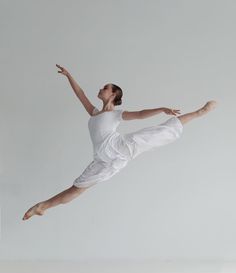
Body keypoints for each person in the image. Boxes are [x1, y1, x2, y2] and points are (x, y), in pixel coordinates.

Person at [22, 64, 217, 220]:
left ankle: (199, 112)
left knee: (160, 131)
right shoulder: (95, 113)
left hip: (121, 148)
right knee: (78, 188)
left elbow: (140, 114)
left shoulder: (116, 114)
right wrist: (68, 75)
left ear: (113, 94)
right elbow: (80, 93)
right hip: (101, 159)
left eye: (105, 88)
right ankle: (42, 206)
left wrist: (162, 109)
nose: (100, 88)